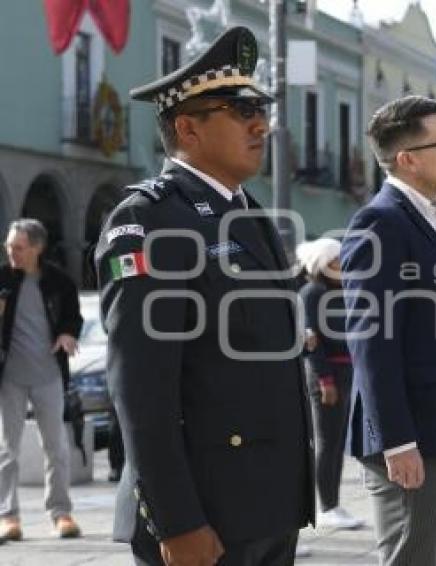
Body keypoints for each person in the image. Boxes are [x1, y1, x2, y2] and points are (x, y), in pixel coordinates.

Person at [95, 27, 313, 566]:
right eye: (240, 109)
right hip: (204, 517)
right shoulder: (149, 219)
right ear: (187, 127)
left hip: (266, 509)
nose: (260, 122)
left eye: (259, 106)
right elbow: (141, 388)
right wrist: (176, 519)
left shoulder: (250, 216)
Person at [341, 95, 436, 566]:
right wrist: (397, 440)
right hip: (413, 442)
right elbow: (372, 340)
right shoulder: (380, 222)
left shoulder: (435, 222)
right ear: (408, 159)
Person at [0, 218, 83, 541]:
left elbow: (73, 318)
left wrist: (66, 334)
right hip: (10, 378)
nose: (12, 252)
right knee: (7, 450)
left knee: (56, 448)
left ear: (37, 248)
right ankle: (9, 517)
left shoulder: (59, 281)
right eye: (8, 246)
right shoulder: (2, 278)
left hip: (49, 375)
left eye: (18, 247)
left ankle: (61, 513)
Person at [296, 238, 364, 530]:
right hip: (327, 376)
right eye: (336, 261)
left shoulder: (342, 292)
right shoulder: (312, 293)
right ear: (323, 265)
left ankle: (333, 503)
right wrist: (325, 380)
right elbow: (314, 343)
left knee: (337, 443)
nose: (342, 265)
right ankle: (325, 505)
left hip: (347, 373)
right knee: (326, 442)